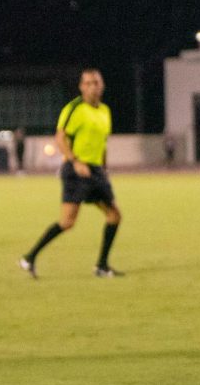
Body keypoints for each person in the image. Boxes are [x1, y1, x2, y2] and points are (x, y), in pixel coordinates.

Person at [20, 68, 123, 278]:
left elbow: (102, 143)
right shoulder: (74, 108)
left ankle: (102, 266)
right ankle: (29, 257)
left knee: (114, 216)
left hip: (96, 171)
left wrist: (105, 169)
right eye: (88, 83)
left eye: (96, 82)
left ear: (102, 86)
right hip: (76, 171)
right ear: (81, 87)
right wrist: (75, 162)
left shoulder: (104, 111)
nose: (93, 87)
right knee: (67, 222)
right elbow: (60, 138)